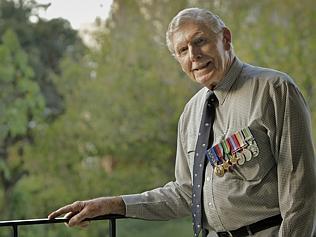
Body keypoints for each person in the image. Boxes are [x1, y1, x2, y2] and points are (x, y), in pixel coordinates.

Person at [48, 8, 316, 237]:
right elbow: (187, 193)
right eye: (183, 50)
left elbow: (300, 188)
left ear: (225, 38)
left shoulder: (273, 89)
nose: (194, 55)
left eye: (200, 41)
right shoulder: (191, 113)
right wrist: (113, 205)